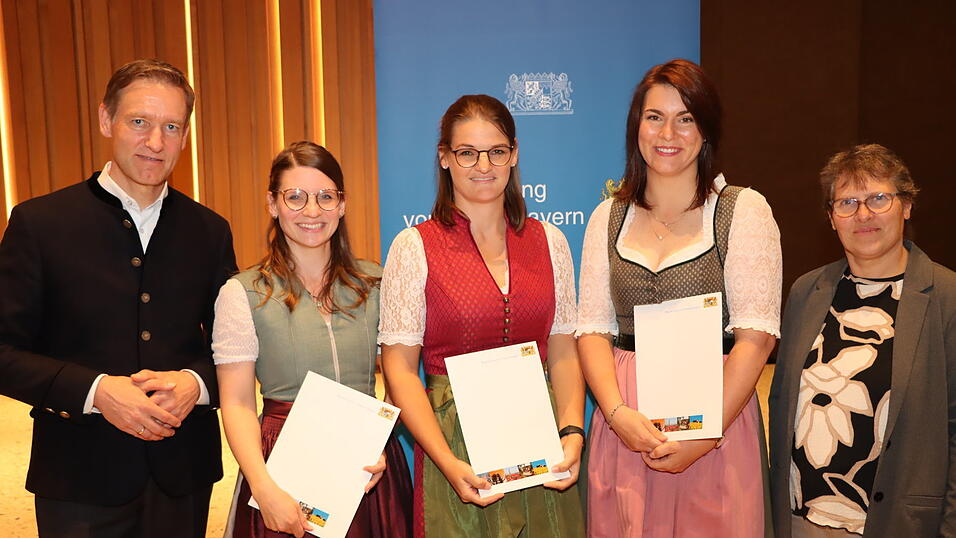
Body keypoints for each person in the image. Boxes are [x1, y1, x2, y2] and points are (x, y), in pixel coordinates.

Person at [0, 59, 236, 537]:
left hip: (183, 476)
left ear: (186, 136)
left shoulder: (210, 231)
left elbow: (234, 348)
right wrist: (95, 392)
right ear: (106, 119)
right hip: (77, 477)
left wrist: (197, 383)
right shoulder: (39, 224)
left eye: (171, 126)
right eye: (139, 122)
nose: (156, 142)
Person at [576, 58, 782, 537]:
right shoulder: (608, 217)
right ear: (636, 127)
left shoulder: (741, 211)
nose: (668, 132)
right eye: (655, 117)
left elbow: (756, 338)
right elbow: (591, 330)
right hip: (627, 424)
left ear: (706, 130)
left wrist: (706, 433)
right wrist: (616, 414)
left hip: (717, 421)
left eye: (685, 118)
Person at [379, 94, 586, 537]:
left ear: (514, 155)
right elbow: (398, 369)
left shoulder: (550, 241)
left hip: (540, 443)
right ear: (445, 158)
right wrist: (447, 463)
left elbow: (564, 349)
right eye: (467, 153)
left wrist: (572, 432)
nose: (483, 165)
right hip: (454, 446)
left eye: (496, 151)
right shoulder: (414, 248)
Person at [212, 141, 412, 538]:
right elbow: (235, 402)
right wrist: (263, 487)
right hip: (282, 466)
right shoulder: (244, 292)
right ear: (273, 203)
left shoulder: (376, 282)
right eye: (295, 197)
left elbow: (401, 372)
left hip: (368, 465)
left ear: (342, 204)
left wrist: (381, 438)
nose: (311, 211)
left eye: (325, 197)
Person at [769, 144, 956, 537]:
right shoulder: (807, 291)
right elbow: (782, 404)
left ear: (906, 206)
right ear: (831, 218)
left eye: (879, 198)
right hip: (801, 520)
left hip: (897, 524)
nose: (863, 214)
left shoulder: (946, 297)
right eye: (848, 202)